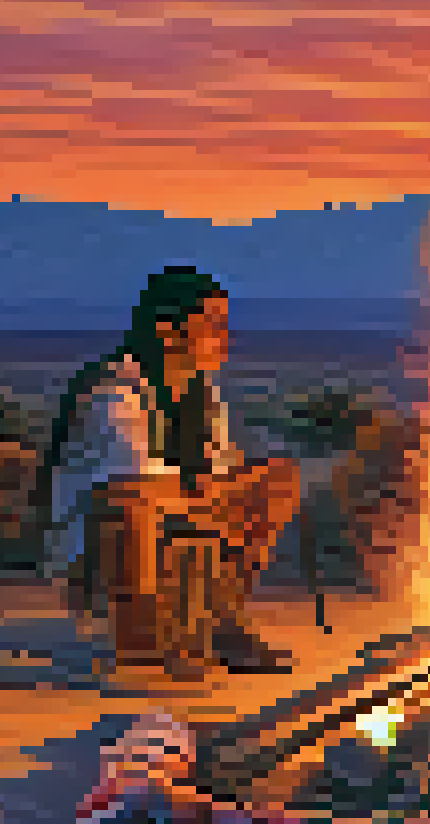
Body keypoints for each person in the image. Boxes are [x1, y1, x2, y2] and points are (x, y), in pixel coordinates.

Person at [41, 266, 305, 692]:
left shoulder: (201, 392)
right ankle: (144, 637)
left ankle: (220, 620)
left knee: (276, 478)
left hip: (170, 517)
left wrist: (226, 489)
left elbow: (213, 471)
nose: (225, 338)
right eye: (212, 326)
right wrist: (209, 492)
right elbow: (132, 481)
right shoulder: (113, 390)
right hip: (99, 550)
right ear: (168, 332)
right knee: (132, 500)